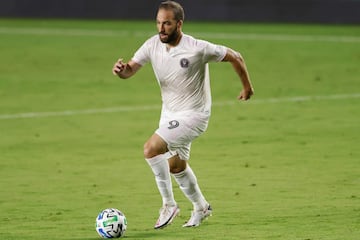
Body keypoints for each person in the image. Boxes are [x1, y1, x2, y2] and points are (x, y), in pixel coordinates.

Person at [112, 0, 254, 229]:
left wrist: (247, 87)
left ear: (179, 24)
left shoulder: (197, 47)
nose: (161, 28)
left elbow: (236, 56)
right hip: (169, 114)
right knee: (176, 166)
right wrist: (121, 71)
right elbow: (130, 70)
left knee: (150, 149)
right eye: (158, 22)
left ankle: (168, 204)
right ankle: (201, 207)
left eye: (166, 23)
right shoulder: (151, 45)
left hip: (195, 115)